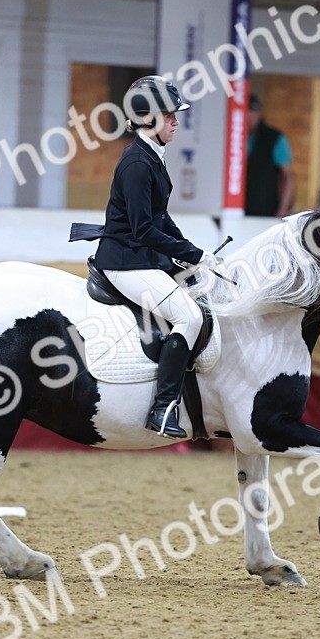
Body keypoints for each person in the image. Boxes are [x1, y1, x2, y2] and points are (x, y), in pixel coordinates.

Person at [93, 75, 218, 438]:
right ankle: (163, 408)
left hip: (141, 256)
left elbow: (161, 218)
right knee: (189, 317)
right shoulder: (137, 164)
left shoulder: (151, 156)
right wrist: (192, 253)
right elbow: (142, 230)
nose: (176, 122)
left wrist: (195, 254)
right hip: (123, 261)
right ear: (148, 119)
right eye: (169, 116)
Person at [244, 93, 296, 217]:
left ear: (259, 114)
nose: (250, 116)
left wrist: (283, 210)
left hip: (264, 208)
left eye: (253, 111)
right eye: (247, 111)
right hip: (232, 208)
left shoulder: (274, 138)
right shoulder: (229, 137)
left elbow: (289, 177)